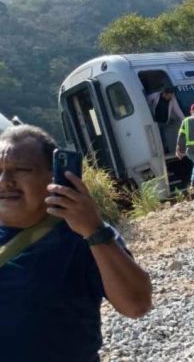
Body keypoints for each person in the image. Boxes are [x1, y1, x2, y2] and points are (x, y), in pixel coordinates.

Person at [0, 125, 152, 361]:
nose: (5, 181)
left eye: (20, 170)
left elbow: (137, 305)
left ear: (55, 176)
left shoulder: (82, 234)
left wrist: (94, 230)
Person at [147, 86, 184, 154]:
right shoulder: (155, 96)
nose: (170, 98)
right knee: (157, 137)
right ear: (164, 93)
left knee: (163, 137)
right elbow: (146, 101)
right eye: (169, 96)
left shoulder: (172, 99)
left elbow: (177, 110)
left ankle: (165, 151)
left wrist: (184, 119)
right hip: (155, 121)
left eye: (171, 96)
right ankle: (161, 151)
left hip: (164, 121)